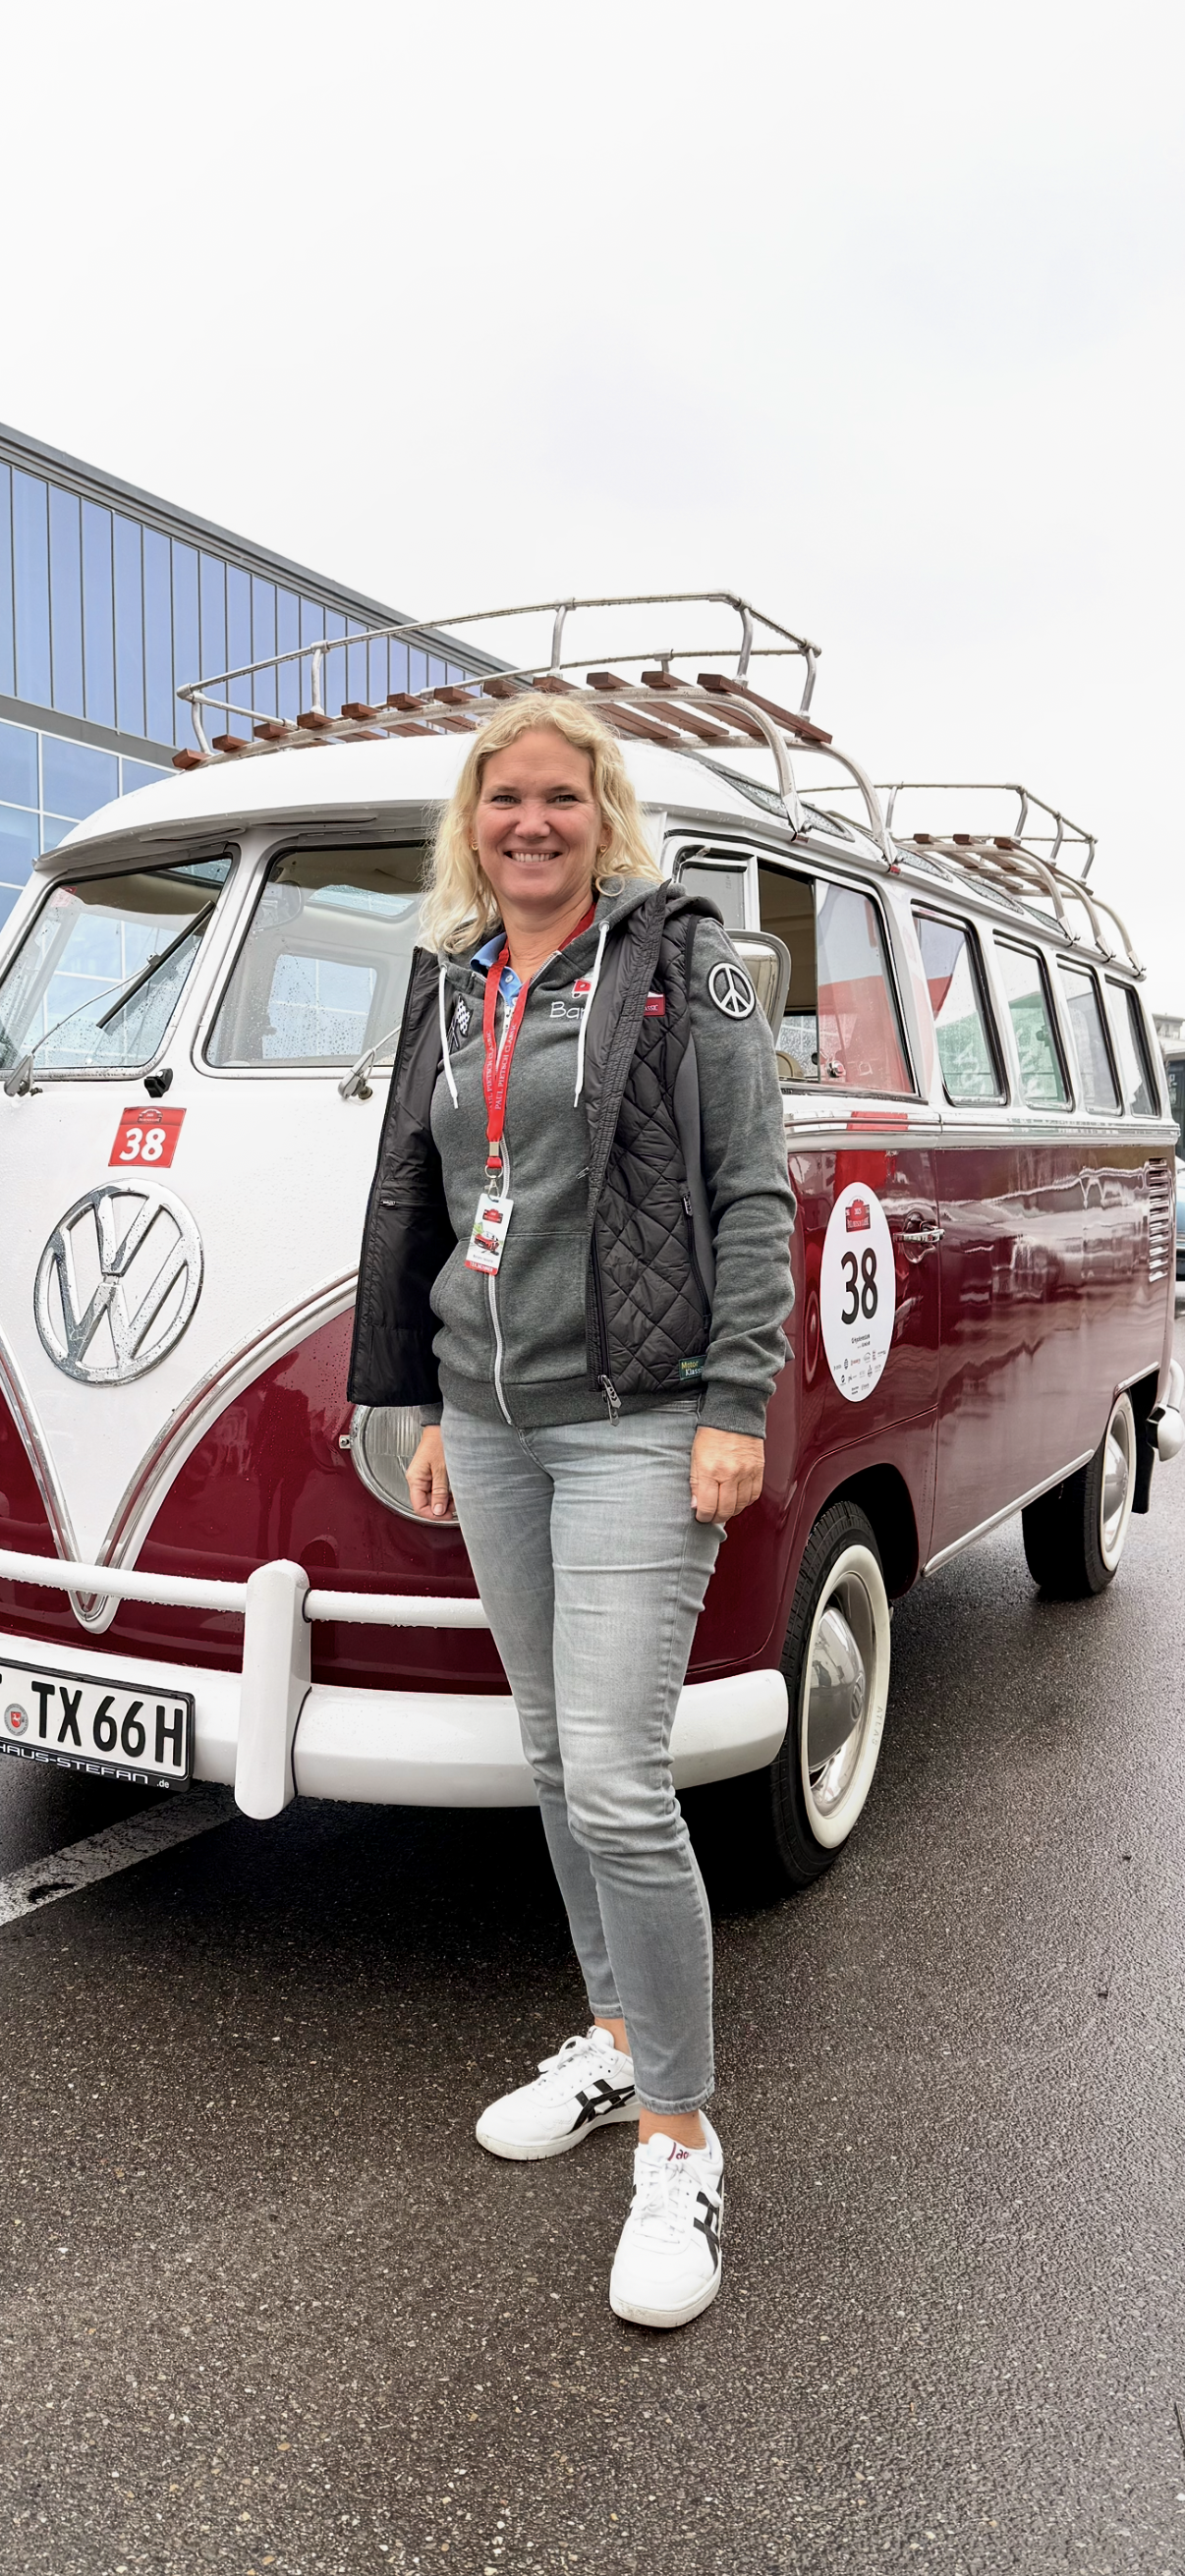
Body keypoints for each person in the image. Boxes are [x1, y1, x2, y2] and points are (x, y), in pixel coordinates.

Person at [349, 695, 794, 2328]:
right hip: (492, 1419)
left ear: (601, 812)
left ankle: (680, 2134)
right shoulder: (450, 978)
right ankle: (612, 2040)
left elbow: (751, 1187)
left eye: (557, 796)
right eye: (501, 798)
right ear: (470, 822)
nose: (528, 822)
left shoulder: (678, 962)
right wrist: (421, 1397)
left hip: (639, 1417)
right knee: (551, 1753)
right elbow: (421, 1194)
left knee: (615, 1778)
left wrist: (735, 1400)